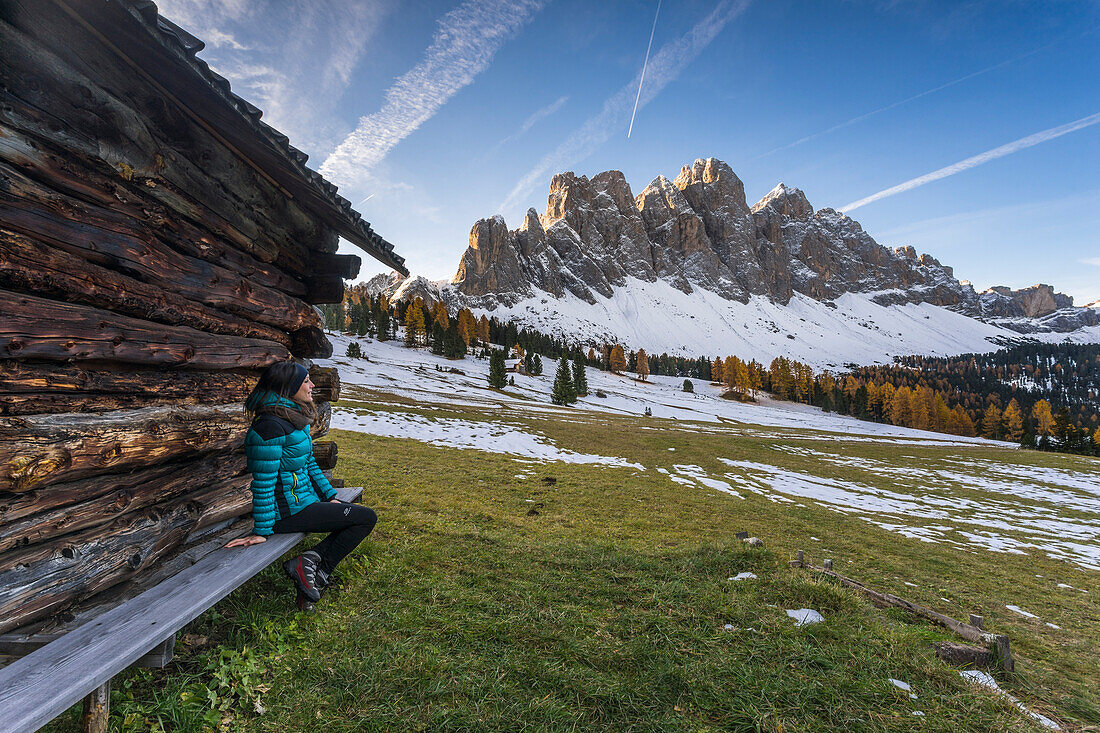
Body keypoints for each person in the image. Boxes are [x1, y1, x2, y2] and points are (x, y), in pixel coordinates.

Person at [225, 361, 377, 610]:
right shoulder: (269, 426)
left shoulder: (294, 417)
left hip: (303, 503)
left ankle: (310, 572)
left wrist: (330, 496)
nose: (312, 385)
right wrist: (262, 531)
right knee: (365, 518)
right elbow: (263, 483)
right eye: (306, 380)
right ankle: (316, 569)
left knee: (357, 516)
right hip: (285, 513)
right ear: (289, 386)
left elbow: (309, 464)